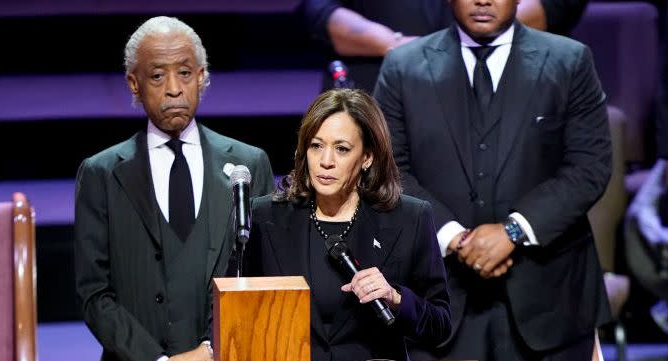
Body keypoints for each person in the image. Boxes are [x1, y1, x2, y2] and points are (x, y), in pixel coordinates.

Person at [372, 0, 612, 358]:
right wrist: (454, 238)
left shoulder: (569, 61)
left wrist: (513, 231)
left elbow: (589, 166)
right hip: (440, 303)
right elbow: (388, 169)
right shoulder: (402, 67)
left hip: (551, 301)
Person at [74, 16, 275, 361]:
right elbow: (94, 293)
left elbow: (263, 277)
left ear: (201, 77)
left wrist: (211, 350)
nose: (173, 88)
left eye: (184, 73)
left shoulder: (248, 165)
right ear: (133, 84)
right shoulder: (101, 174)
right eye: (157, 75)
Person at [238, 88, 451, 361]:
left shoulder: (409, 217)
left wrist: (395, 299)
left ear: (367, 157)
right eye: (316, 146)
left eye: (342, 149)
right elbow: (235, 310)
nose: (326, 162)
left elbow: (440, 325)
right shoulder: (264, 217)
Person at [299, 0, 587, 93]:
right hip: (380, 73)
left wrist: (452, 44)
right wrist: (393, 44)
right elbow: (316, 10)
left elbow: (559, 4)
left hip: (497, 76)